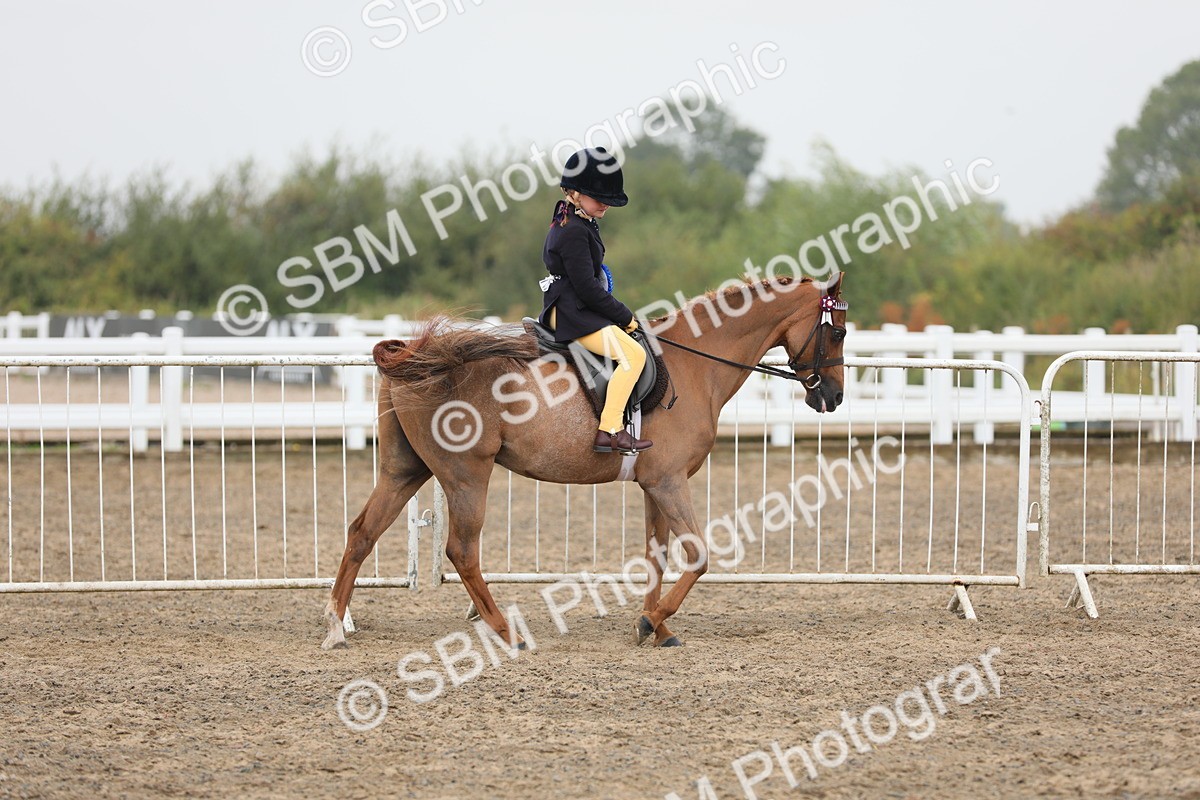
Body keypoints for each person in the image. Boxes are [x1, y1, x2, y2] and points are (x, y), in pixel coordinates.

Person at [537, 147, 653, 454]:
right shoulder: (575, 230)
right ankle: (611, 429)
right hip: (572, 311)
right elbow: (587, 288)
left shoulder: (570, 217)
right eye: (599, 198)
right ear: (574, 193)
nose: (605, 205)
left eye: (608, 200)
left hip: (571, 306)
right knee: (634, 356)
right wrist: (625, 316)